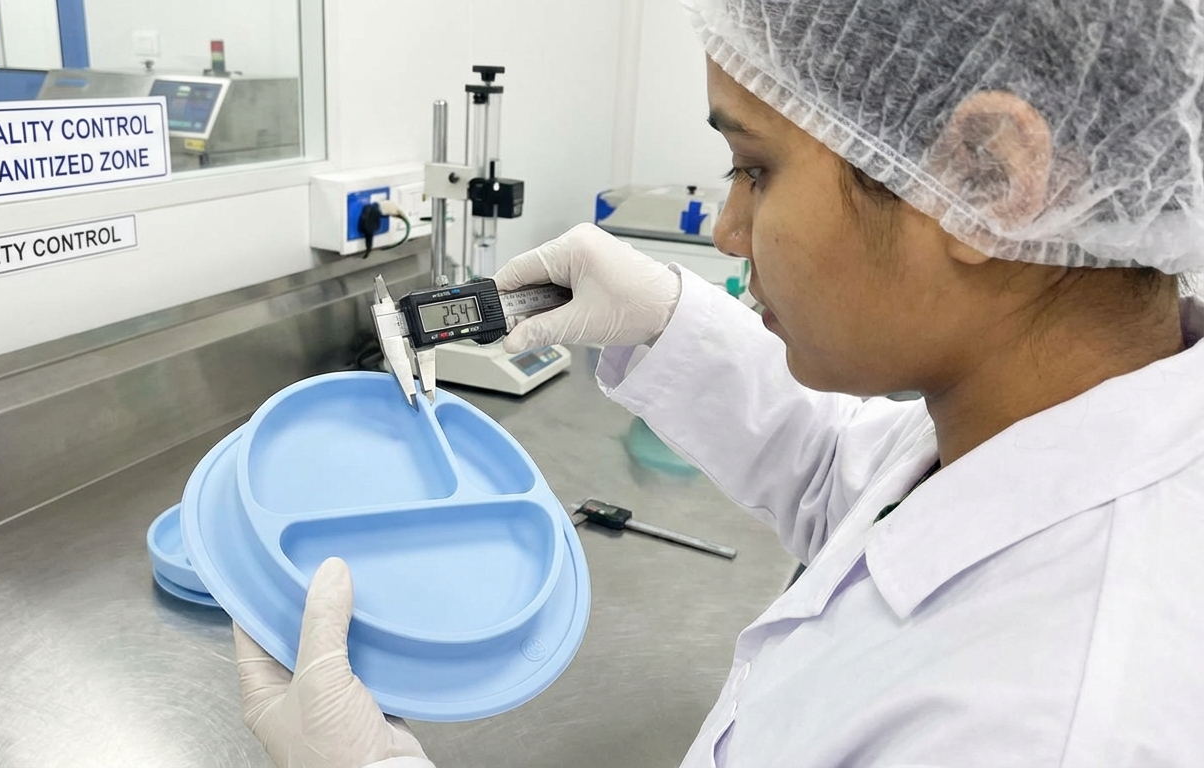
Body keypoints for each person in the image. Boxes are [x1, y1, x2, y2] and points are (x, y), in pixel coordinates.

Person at [233, 0, 1204, 764]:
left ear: (986, 178)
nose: (727, 231)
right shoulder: (1022, 421)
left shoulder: (1052, 723)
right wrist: (665, 320)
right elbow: (845, 481)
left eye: (754, 169)